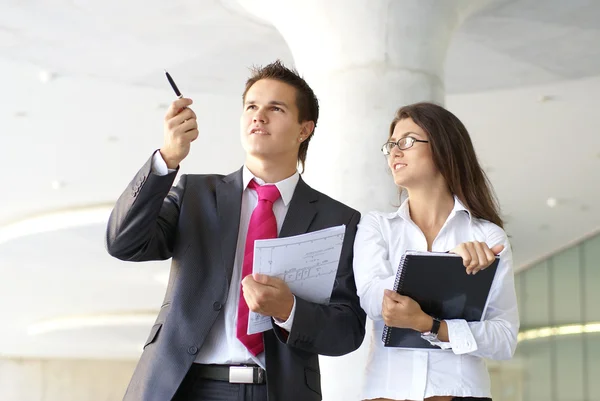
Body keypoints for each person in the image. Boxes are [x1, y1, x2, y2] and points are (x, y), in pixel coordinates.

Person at [106, 60, 366, 401]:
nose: (259, 116)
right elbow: (124, 243)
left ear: (304, 129)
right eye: (251, 107)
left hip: (277, 391)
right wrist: (167, 158)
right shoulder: (195, 194)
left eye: (275, 108)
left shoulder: (338, 219)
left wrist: (289, 309)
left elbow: (347, 331)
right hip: (185, 386)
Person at [353, 102, 519, 401]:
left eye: (407, 141)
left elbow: (504, 339)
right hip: (386, 395)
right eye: (391, 144)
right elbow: (373, 301)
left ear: (444, 148)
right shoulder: (376, 226)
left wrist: (432, 326)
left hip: (459, 395)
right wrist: (447, 266)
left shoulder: (487, 237)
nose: (394, 152)